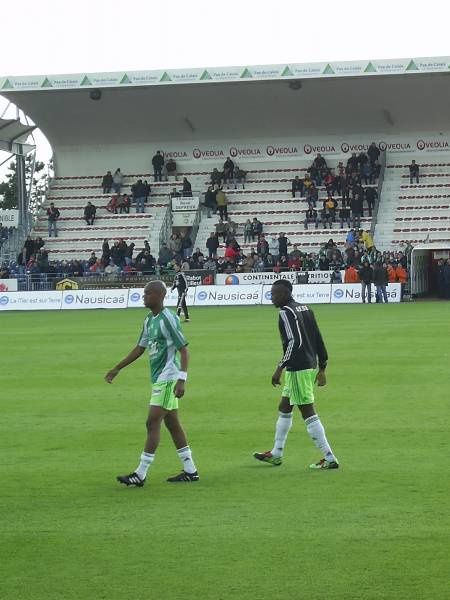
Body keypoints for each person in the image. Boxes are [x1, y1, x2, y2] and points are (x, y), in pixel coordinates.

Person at [105, 280, 198, 486]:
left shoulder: (169, 318)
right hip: (158, 378)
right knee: (173, 424)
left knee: (152, 421)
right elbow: (140, 348)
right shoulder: (149, 320)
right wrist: (117, 367)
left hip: (168, 377)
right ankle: (190, 470)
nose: (144, 297)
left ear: (158, 295)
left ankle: (140, 473)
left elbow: (184, 349)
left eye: (147, 294)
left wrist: (182, 379)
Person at [253, 279, 338, 470]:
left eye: (274, 294)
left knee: (307, 410)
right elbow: (317, 337)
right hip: (307, 364)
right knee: (284, 406)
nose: (272, 297)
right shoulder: (305, 308)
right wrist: (322, 366)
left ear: (285, 294)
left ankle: (329, 457)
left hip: (298, 367)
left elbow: (294, 341)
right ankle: (276, 452)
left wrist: (279, 367)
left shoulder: (286, 312)